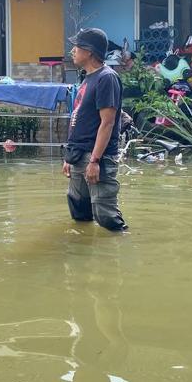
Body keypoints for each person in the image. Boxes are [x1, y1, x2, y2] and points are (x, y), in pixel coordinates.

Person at [62, 28, 128, 232]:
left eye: (77, 47)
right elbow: (80, 120)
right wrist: (69, 157)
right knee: (79, 212)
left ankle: (117, 252)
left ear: (89, 51)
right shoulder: (87, 78)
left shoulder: (107, 78)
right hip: (78, 156)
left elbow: (107, 123)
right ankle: (83, 258)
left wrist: (95, 161)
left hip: (96, 157)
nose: (72, 51)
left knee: (106, 217)